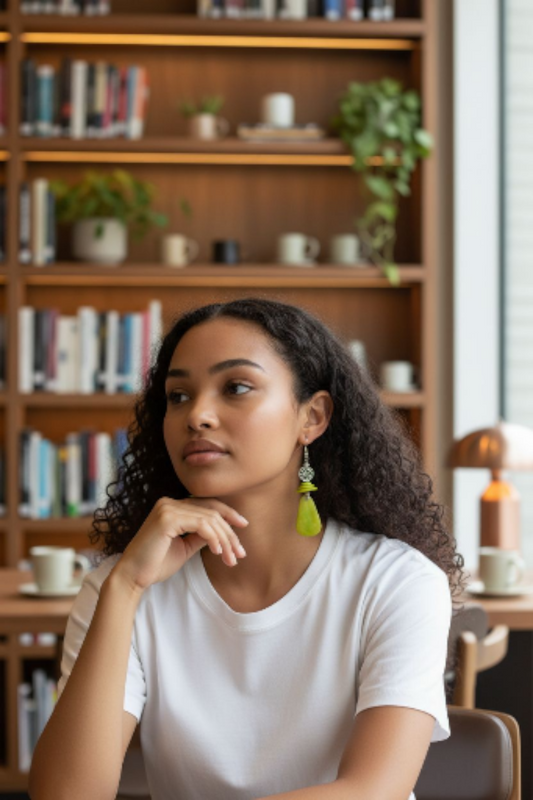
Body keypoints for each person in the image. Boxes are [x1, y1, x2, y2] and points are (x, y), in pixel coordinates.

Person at [29, 297, 465, 800]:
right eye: (177, 396)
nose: (198, 415)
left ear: (313, 417)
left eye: (236, 387)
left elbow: (372, 790)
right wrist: (125, 587)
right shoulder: (122, 586)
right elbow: (65, 796)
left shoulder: (397, 581)